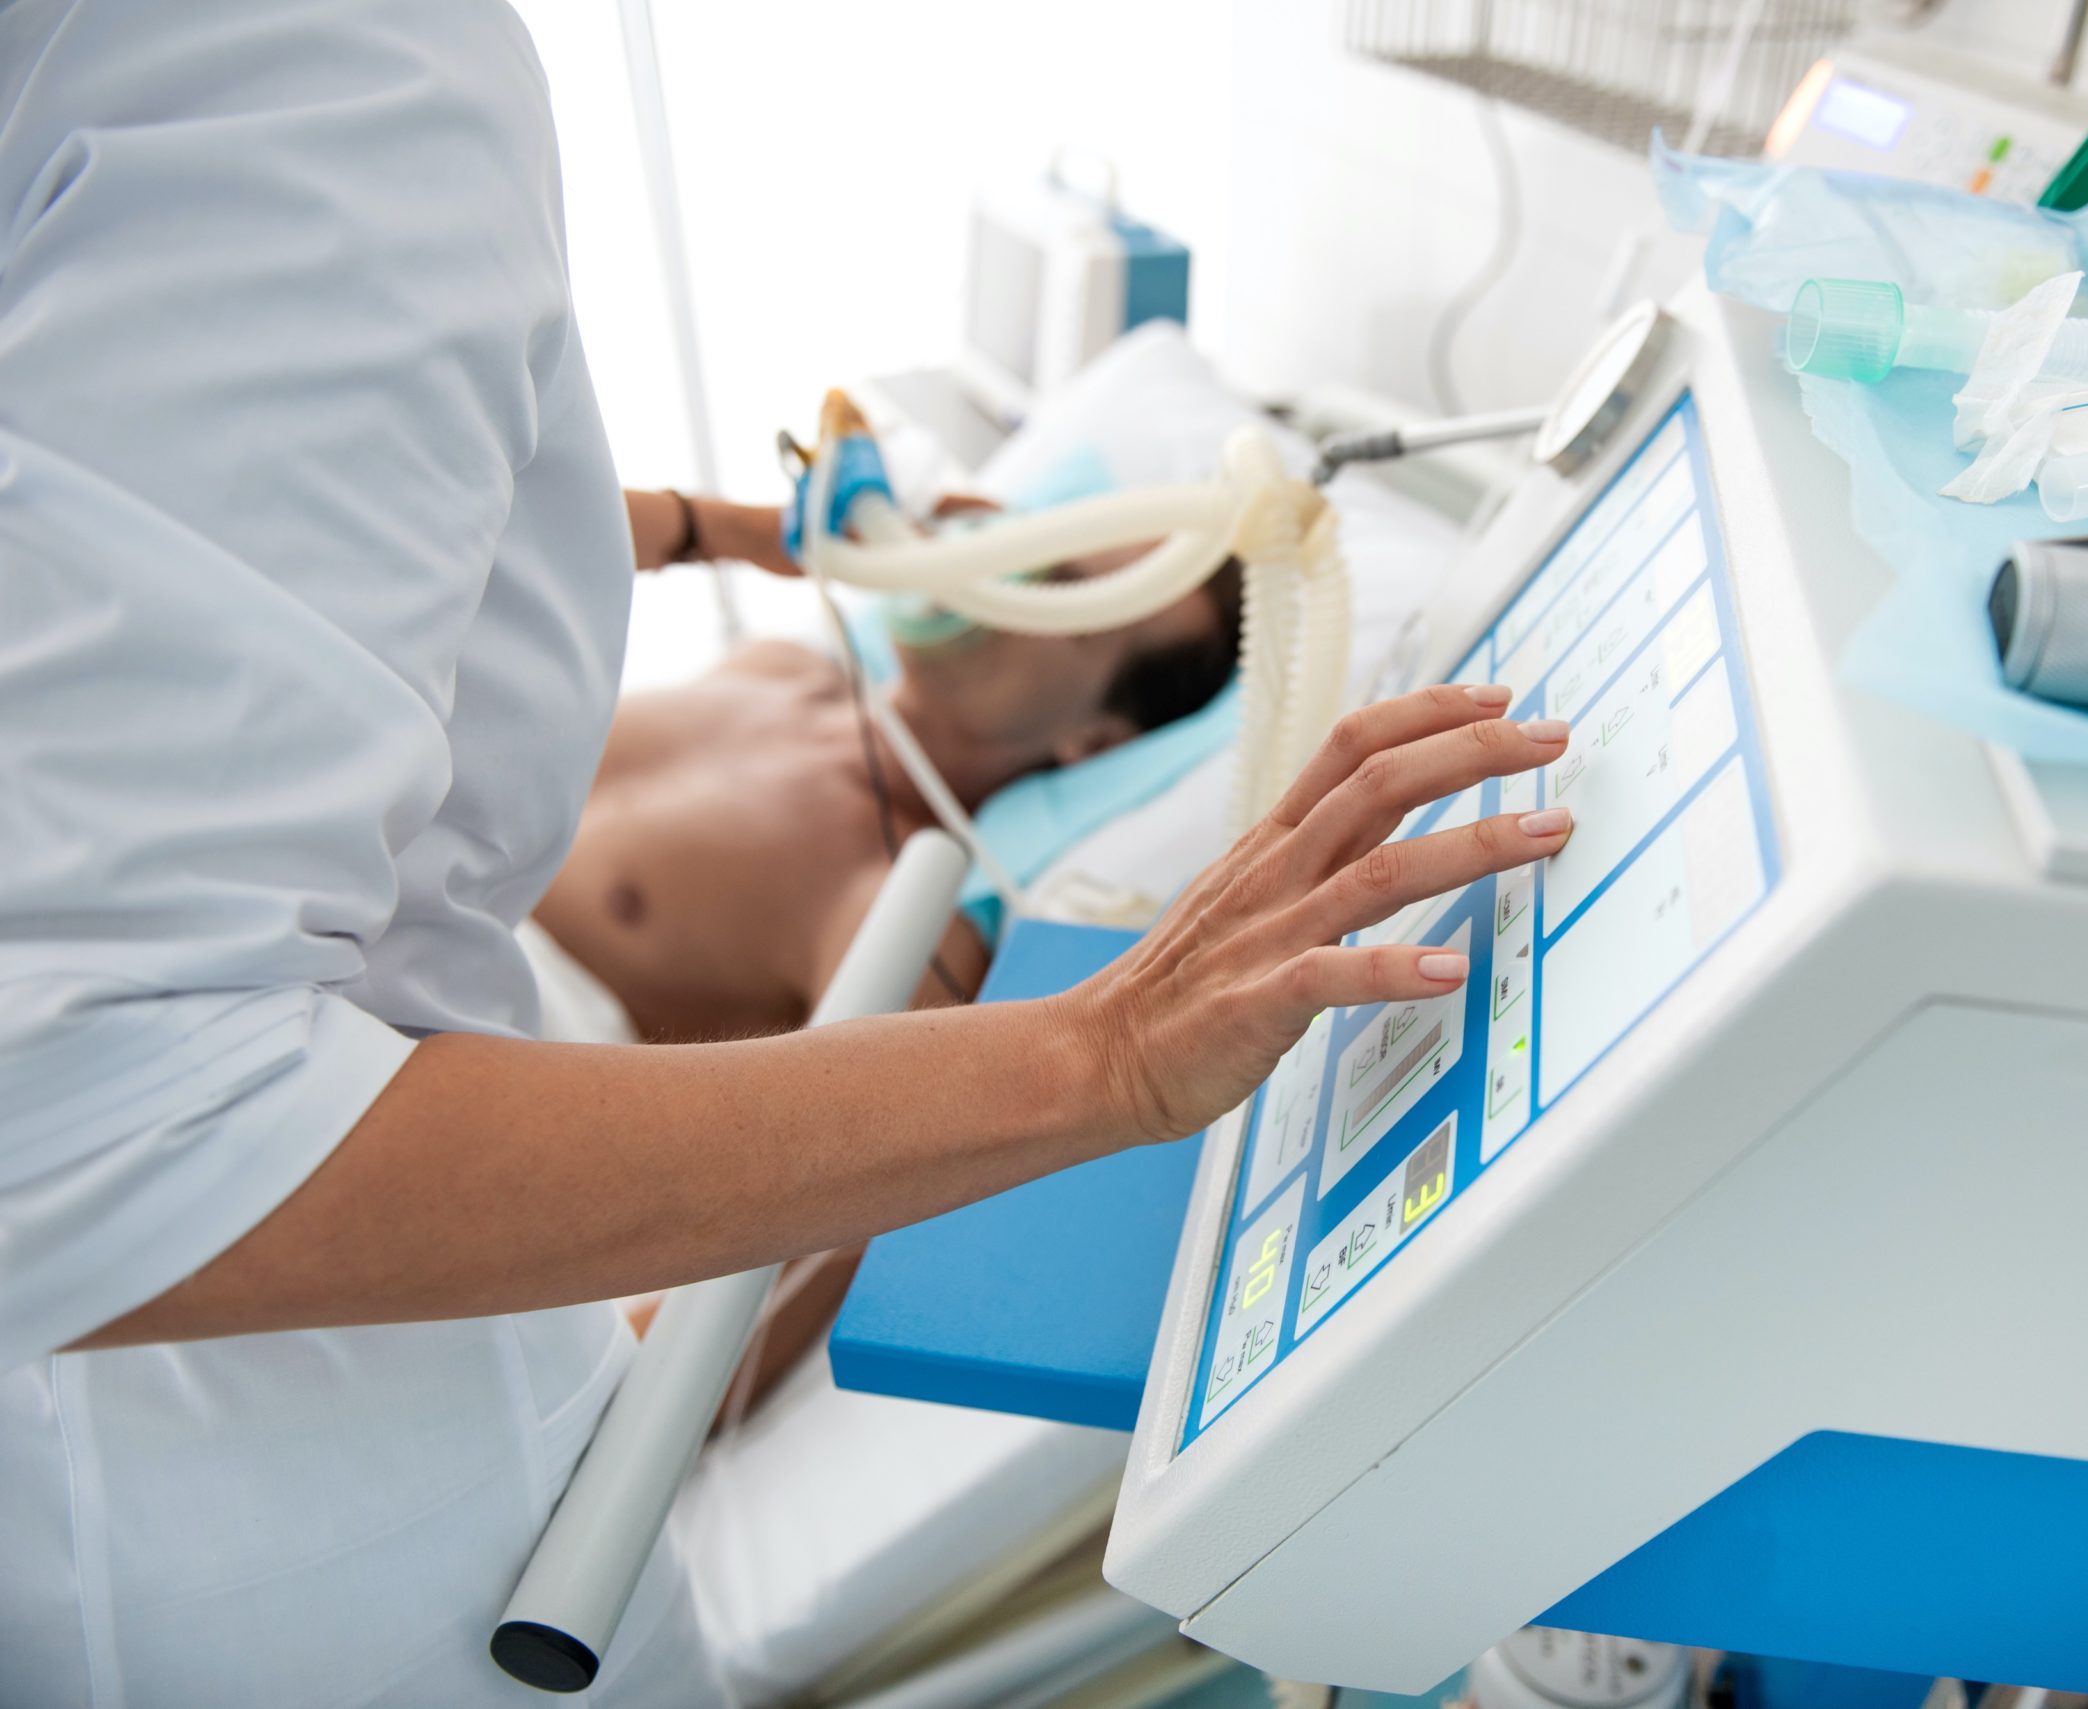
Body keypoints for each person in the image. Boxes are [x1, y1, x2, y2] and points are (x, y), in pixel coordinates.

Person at [0, 5, 1572, 1703]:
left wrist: (1097, 1047)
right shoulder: (773, 662)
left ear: (1092, 733)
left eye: (1067, 574)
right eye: (1006, 520)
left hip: (373, 1207)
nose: (989, 548)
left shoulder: (904, 891)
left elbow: (765, 1272)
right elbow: (334, 528)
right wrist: (707, 525)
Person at [539, 509, 1244, 1042]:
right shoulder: (778, 667)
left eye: (1060, 588)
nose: (1000, 571)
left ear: (1093, 739)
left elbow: (819, 1229)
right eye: (1031, 540)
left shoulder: (905, 924)